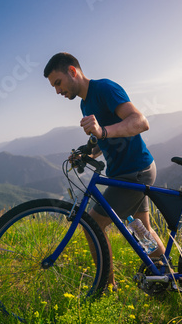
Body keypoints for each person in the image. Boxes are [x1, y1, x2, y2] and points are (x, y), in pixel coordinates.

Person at [43, 52, 165, 288]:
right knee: (144, 231)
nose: (57, 91)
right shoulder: (84, 103)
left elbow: (140, 122)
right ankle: (168, 276)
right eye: (53, 87)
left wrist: (103, 132)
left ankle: (107, 289)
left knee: (93, 225)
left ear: (72, 71)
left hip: (135, 171)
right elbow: (103, 139)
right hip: (128, 172)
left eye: (57, 83)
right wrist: (87, 153)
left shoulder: (105, 89)